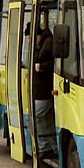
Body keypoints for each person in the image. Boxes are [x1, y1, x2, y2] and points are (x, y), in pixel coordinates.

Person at [25, 24, 57, 159]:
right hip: (42, 91)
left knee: (33, 117)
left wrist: (41, 67)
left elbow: (55, 63)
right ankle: (51, 146)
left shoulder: (48, 44)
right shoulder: (43, 44)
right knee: (46, 120)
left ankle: (44, 146)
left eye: (29, 37)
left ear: (35, 35)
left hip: (45, 92)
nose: (28, 41)